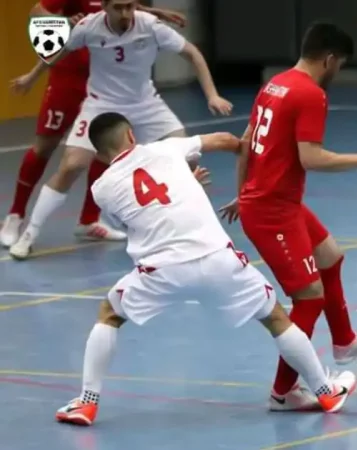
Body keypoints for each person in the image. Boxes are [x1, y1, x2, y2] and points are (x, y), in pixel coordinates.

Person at [54, 112, 357, 426]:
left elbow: (138, 216)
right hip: (217, 259)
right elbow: (223, 140)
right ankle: (325, 390)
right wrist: (243, 150)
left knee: (110, 314)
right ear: (131, 135)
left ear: (100, 154)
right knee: (276, 318)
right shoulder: (167, 147)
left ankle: (87, 403)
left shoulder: (101, 189)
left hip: (161, 272)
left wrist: (183, 184)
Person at [219, 22, 357, 411]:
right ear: (329, 59)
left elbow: (246, 142)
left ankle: (344, 341)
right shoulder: (310, 94)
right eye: (340, 64)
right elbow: (311, 158)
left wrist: (242, 193)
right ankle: (284, 392)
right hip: (272, 212)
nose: (338, 72)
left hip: (277, 202)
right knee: (310, 298)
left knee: (330, 255)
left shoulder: (275, 84)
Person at [8, 0, 232, 260]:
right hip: (101, 104)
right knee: (71, 165)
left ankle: (185, 231)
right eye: (118, 8)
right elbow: (59, 52)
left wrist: (212, 95)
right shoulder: (88, 27)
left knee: (188, 156)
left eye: (129, 6)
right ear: (104, 7)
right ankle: (29, 235)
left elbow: (192, 53)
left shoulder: (150, 26)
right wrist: (30, 77)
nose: (125, 13)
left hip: (145, 104)